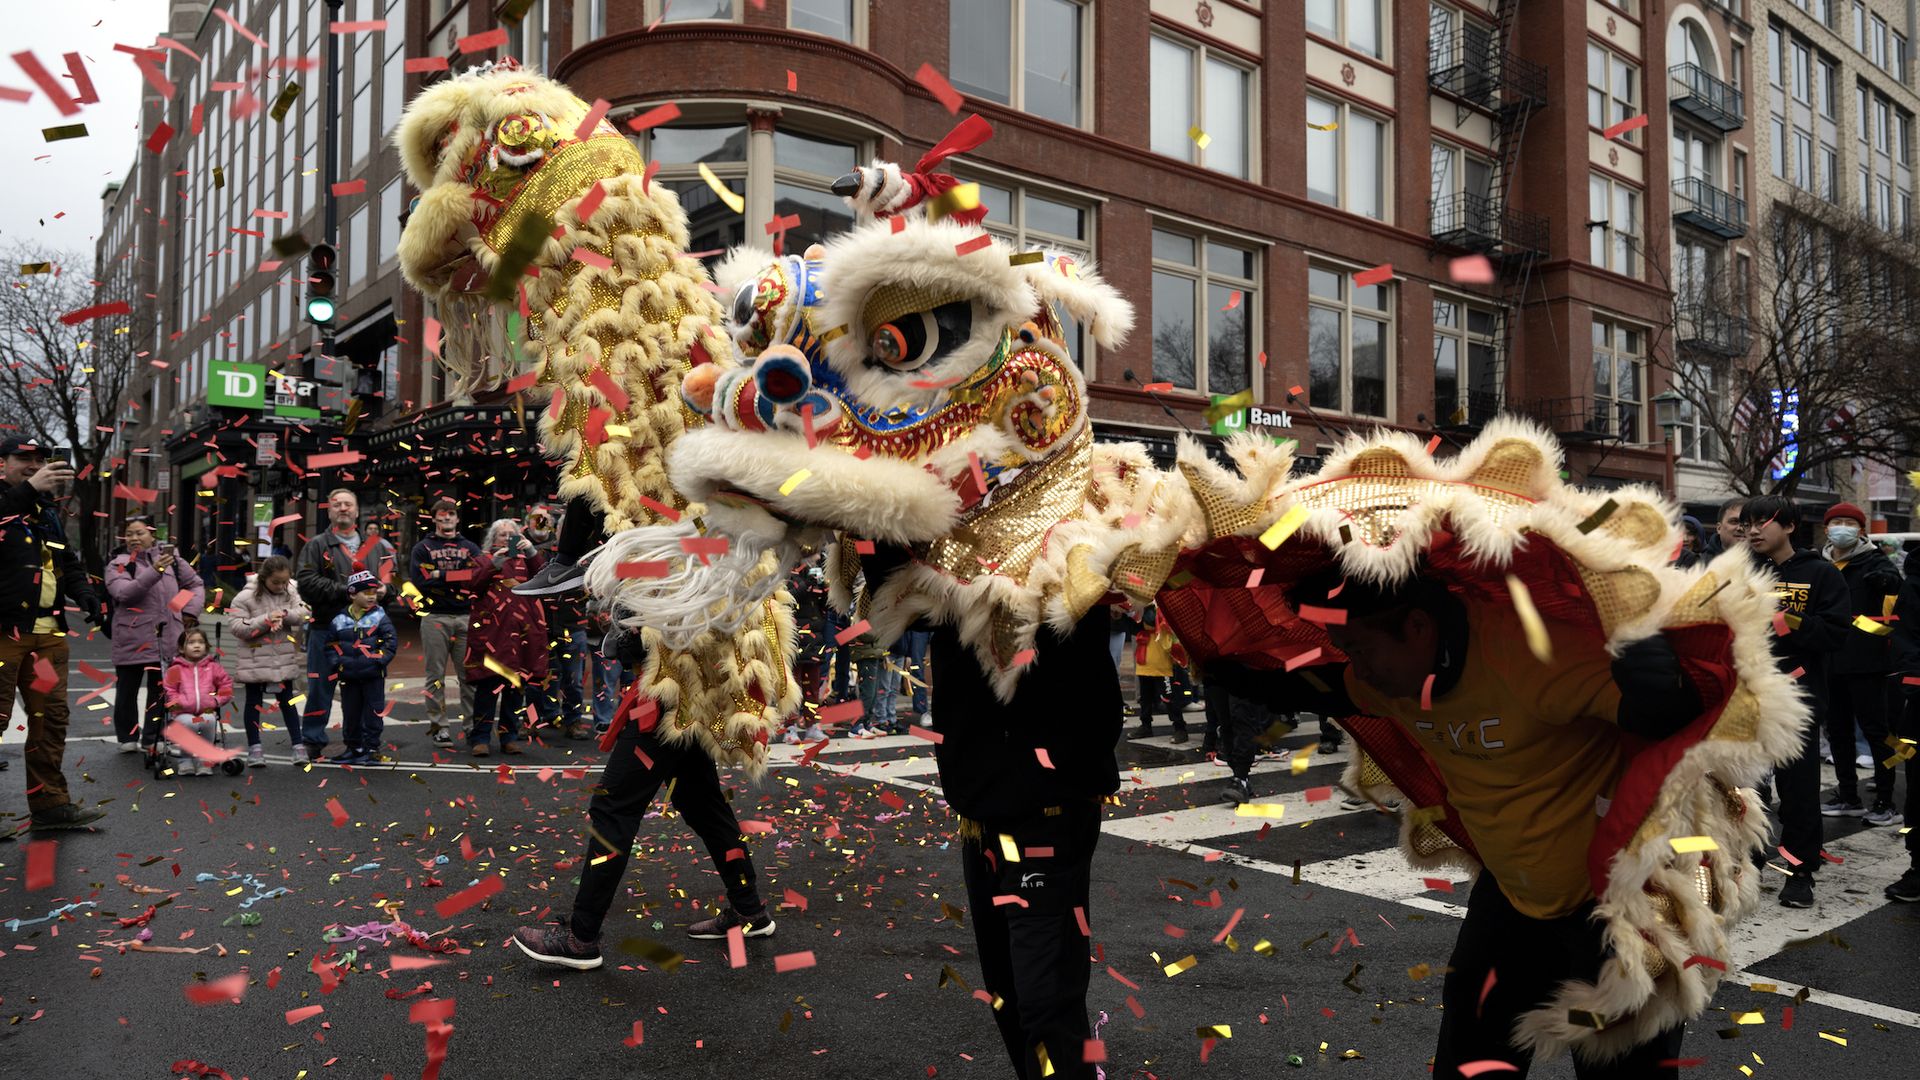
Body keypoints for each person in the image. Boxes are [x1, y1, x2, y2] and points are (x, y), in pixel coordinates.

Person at [1225, 563, 1710, 1077]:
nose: (1359, 670)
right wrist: (1242, 677)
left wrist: (1656, 682)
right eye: (1349, 653)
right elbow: (1327, 689)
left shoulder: (1532, 653)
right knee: (1471, 1051)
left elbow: (1668, 725)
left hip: (1615, 905)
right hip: (1511, 896)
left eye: (1362, 651)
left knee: (1624, 1064)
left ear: (1417, 626)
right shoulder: (1393, 676)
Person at [511, 634, 778, 970]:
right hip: (693, 696)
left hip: (667, 696)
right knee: (705, 807)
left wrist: (630, 641)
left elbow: (670, 626)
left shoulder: (677, 580)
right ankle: (748, 908)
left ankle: (581, 938)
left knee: (614, 807)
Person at [1743, 494, 1850, 908]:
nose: (1753, 530)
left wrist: (1783, 618)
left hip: (1796, 698)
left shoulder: (1820, 574)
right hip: (1744, 693)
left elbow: (1835, 633)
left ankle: (1797, 871)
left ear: (1788, 526)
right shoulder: (1740, 571)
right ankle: (1745, 861)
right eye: (1747, 523)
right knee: (1744, 786)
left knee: (1799, 789)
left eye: (1763, 522)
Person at [0, 437, 106, 828]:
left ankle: (50, 806)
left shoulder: (47, 511)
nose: (33, 465)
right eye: (23, 459)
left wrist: (85, 594)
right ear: (2, 465)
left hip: (48, 635)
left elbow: (65, 560)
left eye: (40, 459)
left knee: (50, 719)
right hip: (5, 634)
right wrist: (28, 491)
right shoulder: (10, 502)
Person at [1817, 502, 1909, 826]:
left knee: (1876, 732)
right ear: (1826, 529)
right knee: (1838, 731)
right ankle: (1848, 796)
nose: (1843, 527)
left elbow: (1895, 596)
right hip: (1830, 662)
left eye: (1849, 522)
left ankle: (1886, 801)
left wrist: (1888, 580)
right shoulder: (1821, 564)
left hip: (1868, 664)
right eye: (1836, 522)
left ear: (1862, 529)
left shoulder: (1875, 562)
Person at [106, 518, 205, 753]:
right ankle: (127, 737)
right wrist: (156, 570)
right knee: (127, 691)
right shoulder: (118, 565)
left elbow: (195, 584)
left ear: (152, 535)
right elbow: (125, 594)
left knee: (160, 692)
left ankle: (153, 738)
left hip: (167, 636)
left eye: (139, 533)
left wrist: (185, 611)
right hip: (132, 637)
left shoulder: (174, 561)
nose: (133, 539)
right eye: (129, 534)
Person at [295, 488, 371, 760]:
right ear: (329, 511)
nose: (342, 508)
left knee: (360, 689)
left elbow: (390, 579)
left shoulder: (375, 545)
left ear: (357, 511)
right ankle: (313, 740)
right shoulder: (316, 545)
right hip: (326, 628)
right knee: (320, 687)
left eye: (348, 504)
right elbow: (306, 583)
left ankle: (358, 740)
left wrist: (387, 591)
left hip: (365, 630)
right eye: (337, 504)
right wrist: (347, 590)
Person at [463, 519, 547, 757]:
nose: (507, 539)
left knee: (514, 689)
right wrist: (494, 563)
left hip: (521, 638)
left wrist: (530, 552)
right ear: (493, 539)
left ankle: (509, 736)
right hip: (491, 636)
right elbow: (472, 585)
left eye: (512, 535)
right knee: (487, 689)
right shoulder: (483, 559)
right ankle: (479, 739)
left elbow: (544, 578)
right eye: (502, 535)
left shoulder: (527, 562)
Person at [409, 498, 485, 747]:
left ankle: (472, 726)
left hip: (466, 616)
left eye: (450, 513)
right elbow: (420, 581)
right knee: (435, 676)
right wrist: (459, 576)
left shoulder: (471, 547)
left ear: (457, 518)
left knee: (469, 676)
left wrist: (440, 574)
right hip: (435, 617)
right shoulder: (423, 547)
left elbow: (478, 576)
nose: (446, 518)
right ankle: (439, 727)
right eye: (441, 514)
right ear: (434, 518)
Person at [224, 555, 310, 766]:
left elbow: (305, 611)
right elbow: (237, 627)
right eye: (276, 582)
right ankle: (255, 748)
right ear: (264, 578)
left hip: (282, 656)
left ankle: (298, 746)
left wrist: (285, 614)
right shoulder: (244, 598)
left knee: (287, 701)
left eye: (284, 581)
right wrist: (264, 620)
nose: (281, 586)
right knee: (253, 703)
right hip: (255, 658)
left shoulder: (290, 590)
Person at [526, 504, 592, 739]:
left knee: (573, 679)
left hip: (572, 624)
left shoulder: (585, 555)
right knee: (539, 676)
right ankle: (538, 718)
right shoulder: (539, 551)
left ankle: (572, 722)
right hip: (542, 624)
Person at [320, 571, 399, 765]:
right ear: (353, 594)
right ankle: (353, 748)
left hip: (373, 674)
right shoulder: (339, 619)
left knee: (373, 713)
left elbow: (390, 642)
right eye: (366, 592)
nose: (372, 596)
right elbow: (330, 644)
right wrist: (338, 663)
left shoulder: (380, 616)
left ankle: (371, 748)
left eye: (374, 591)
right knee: (351, 713)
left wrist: (378, 661)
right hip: (348, 675)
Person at [160, 627, 234, 776]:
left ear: (206, 647)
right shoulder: (176, 669)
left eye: (201, 642)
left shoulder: (213, 667)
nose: (196, 645)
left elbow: (226, 685)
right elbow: (169, 689)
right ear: (181, 648)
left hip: (206, 710)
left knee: (209, 720)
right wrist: (178, 701)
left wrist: (216, 700)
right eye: (191, 642)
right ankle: (185, 759)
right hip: (182, 711)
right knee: (189, 723)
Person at [1132, 606, 1190, 743]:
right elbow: (1132, 625)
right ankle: (1145, 725)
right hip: (1145, 657)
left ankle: (1180, 728)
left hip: (1163, 658)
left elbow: (1152, 619)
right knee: (1145, 697)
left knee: (1169, 697)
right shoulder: (1140, 603)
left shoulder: (1161, 603)